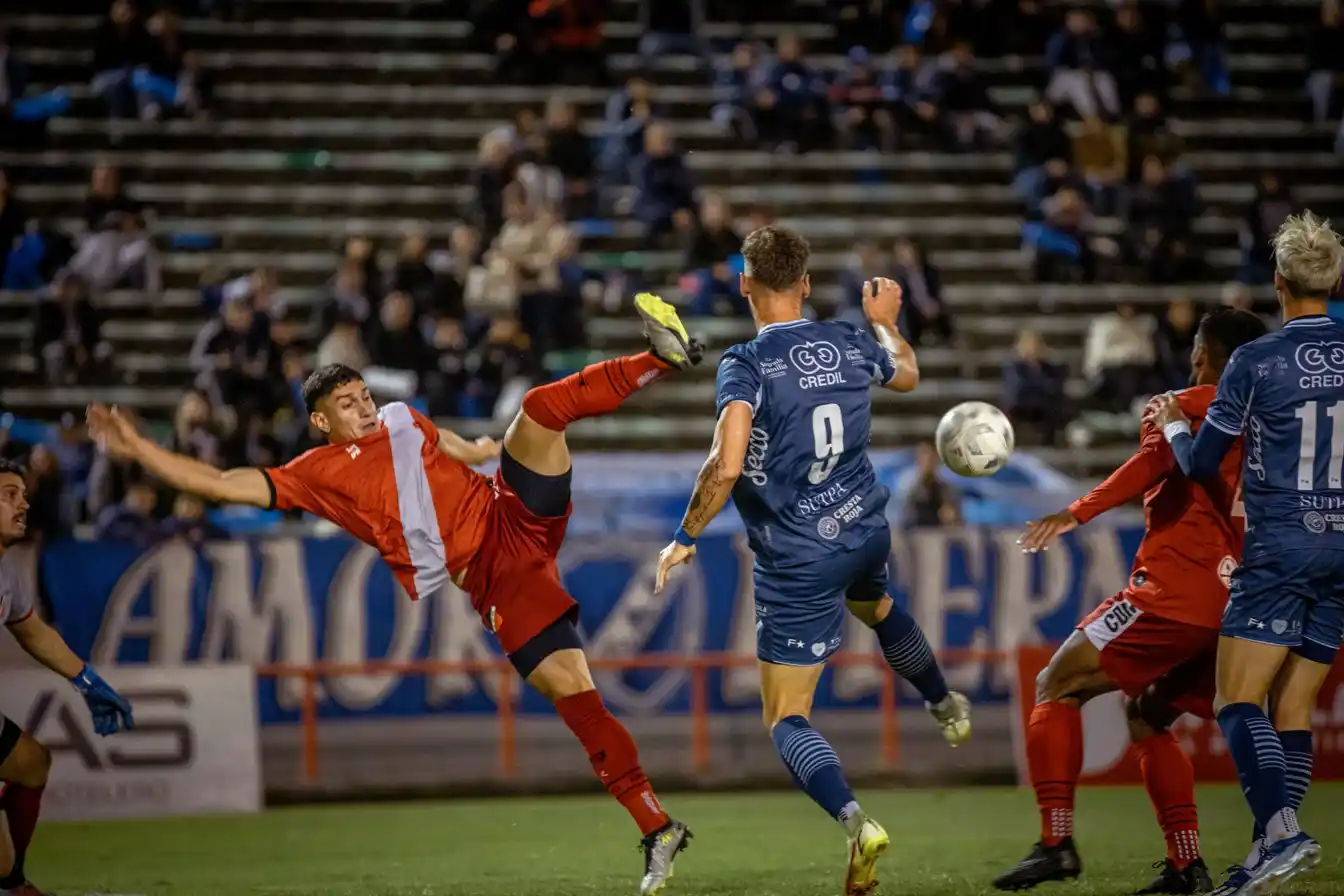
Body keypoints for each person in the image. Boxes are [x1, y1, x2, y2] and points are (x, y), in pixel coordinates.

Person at [86, 294, 702, 896]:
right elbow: (221, 483)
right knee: (579, 701)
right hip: (495, 576)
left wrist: (478, 450)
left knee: (540, 409)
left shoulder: (402, 416)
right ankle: (658, 827)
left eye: (364, 396)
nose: (363, 408)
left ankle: (659, 358)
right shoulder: (315, 474)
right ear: (320, 421)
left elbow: (443, 442)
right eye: (346, 404)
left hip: (512, 509)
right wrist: (138, 447)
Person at [649, 226, 970, 896]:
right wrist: (887, 323)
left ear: (744, 283)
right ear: (805, 282)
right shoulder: (850, 339)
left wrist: (684, 536)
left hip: (799, 557)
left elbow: (727, 464)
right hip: (864, 526)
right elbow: (908, 375)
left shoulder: (746, 363)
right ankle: (945, 703)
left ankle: (857, 825)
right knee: (875, 604)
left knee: (786, 718)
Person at [992, 308, 1269, 895]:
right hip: (1237, 603)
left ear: (1201, 354)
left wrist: (1077, 510)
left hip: (1172, 592)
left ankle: (1055, 843)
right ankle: (1186, 865)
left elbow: (1152, 462)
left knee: (1056, 683)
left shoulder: (1178, 407)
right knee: (1147, 714)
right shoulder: (1272, 420)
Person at [1147, 212, 1344, 895]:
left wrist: (1175, 425)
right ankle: (1268, 849)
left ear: (1279, 282)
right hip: (1342, 547)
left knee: (1236, 697)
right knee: (1294, 706)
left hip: (1282, 545)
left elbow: (1202, 465)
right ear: (1335, 281)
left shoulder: (1258, 360)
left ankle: (1283, 834)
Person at [0, 459, 136, 896]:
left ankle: (12, 883)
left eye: (23, 495)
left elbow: (32, 631)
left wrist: (87, 682)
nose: (23, 505)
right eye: (9, 495)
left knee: (30, 763)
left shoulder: (6, 573)